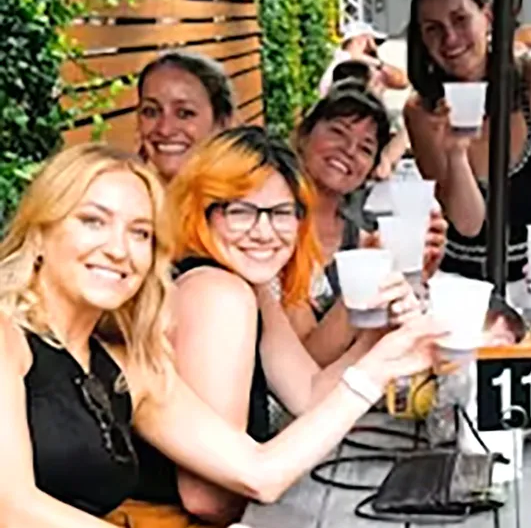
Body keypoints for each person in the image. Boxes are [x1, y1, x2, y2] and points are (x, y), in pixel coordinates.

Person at [0, 143, 444, 526]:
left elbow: (261, 472)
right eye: (93, 221)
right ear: (39, 233)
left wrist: (379, 363)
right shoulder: (7, 336)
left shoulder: (124, 365)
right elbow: (12, 508)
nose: (119, 249)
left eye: (140, 233)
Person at [403, 0, 531, 291]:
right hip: (459, 283)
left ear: (488, 17)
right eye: (433, 29)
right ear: (422, 40)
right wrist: (455, 154)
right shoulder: (422, 110)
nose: (450, 39)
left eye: (460, 19)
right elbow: (467, 224)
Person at [290, 82, 447, 364]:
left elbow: (373, 341)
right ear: (303, 135)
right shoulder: (274, 231)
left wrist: (414, 277)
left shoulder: (361, 239)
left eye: (365, 148)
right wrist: (370, 278)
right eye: (337, 132)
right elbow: (307, 361)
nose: (349, 150)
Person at [137, 52, 234, 181]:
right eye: (151, 112)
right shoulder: (124, 194)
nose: (164, 130)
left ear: (222, 122)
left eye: (184, 113)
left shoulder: (249, 197)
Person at [318, 21, 408, 99]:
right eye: (375, 41)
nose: (376, 47)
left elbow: (402, 81)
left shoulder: (335, 64)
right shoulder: (347, 65)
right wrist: (375, 62)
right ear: (363, 39)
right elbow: (404, 81)